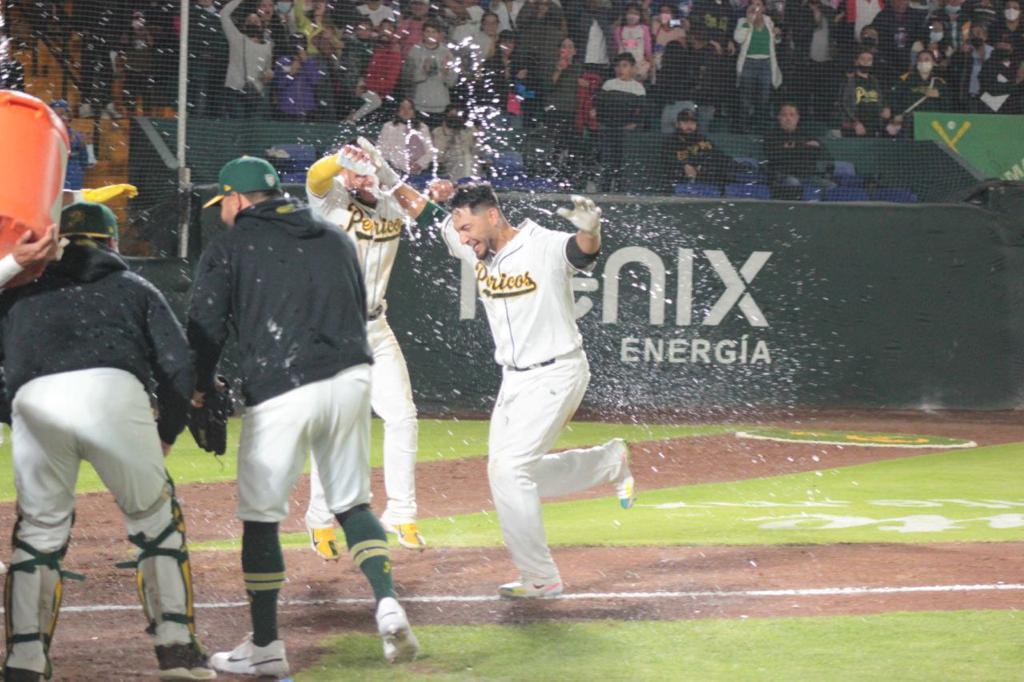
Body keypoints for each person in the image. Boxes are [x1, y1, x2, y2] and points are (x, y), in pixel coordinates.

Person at [359, 141, 637, 599]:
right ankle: (608, 462)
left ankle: (541, 577)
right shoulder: (475, 247)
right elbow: (425, 213)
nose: (462, 237)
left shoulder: (542, 244)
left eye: (468, 226)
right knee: (508, 473)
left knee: (510, 471)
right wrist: (386, 176)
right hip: (514, 378)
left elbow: (581, 250)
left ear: (492, 215)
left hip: (557, 372)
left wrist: (594, 229)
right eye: (460, 230)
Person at [190, 156, 419, 675]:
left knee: (261, 517)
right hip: (350, 375)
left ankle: (267, 645)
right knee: (354, 503)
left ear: (235, 199)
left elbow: (205, 326)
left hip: (281, 385)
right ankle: (386, 601)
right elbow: (356, 305)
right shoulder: (331, 235)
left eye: (222, 204)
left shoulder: (231, 244)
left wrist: (200, 389)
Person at [0, 202, 213, 681]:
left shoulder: (15, 292)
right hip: (116, 396)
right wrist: (167, 431)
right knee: (156, 524)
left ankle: (25, 660)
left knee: (38, 536)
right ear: (113, 242)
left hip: (36, 399)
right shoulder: (133, 285)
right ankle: (177, 650)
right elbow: (178, 366)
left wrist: (16, 413)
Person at [302, 144, 427, 556]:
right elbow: (316, 177)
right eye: (353, 174)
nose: (359, 179)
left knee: (402, 415)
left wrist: (384, 171)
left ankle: (402, 513)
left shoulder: (391, 205)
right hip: (332, 330)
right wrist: (342, 163)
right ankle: (320, 520)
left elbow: (420, 207)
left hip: (376, 326)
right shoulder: (330, 200)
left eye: (365, 171)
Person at [595, 52, 646, 191]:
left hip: (625, 131)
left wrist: (634, 124)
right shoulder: (608, 84)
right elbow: (599, 105)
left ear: (632, 68)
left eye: (624, 65)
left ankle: (620, 189)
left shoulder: (638, 88)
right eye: (618, 66)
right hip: (608, 128)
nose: (620, 69)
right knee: (606, 159)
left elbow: (641, 111)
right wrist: (600, 121)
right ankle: (603, 189)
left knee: (622, 160)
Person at [763, 103, 832, 199]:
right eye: (784, 115)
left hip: (807, 175)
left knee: (830, 186)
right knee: (793, 183)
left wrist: (793, 146)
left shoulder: (805, 134)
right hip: (782, 176)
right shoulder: (772, 136)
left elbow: (820, 149)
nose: (788, 118)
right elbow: (776, 155)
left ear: (797, 118)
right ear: (779, 117)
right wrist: (804, 146)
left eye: (792, 115)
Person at [734, 0, 783, 132]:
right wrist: (748, 22)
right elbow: (738, 38)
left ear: (764, 7)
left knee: (764, 98)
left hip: (766, 63)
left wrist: (778, 34)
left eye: (759, 4)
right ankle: (744, 128)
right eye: (753, 4)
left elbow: (775, 41)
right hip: (749, 63)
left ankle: (761, 127)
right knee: (746, 98)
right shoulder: (742, 20)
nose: (756, 7)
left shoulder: (769, 21)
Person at [659, 108, 738, 190]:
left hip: (703, 179)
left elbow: (718, 154)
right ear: (678, 124)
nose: (689, 126)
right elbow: (666, 160)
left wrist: (699, 164)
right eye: (685, 123)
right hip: (678, 181)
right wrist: (684, 165)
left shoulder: (702, 139)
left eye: (692, 123)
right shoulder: (671, 141)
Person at [221, 0, 275, 117]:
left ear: (261, 25)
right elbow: (224, 14)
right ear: (244, 26)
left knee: (253, 129)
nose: (253, 23)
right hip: (234, 91)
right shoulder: (236, 38)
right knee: (236, 126)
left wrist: (268, 75)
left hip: (255, 93)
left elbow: (267, 69)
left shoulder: (267, 46)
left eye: (256, 21)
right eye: (249, 21)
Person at [406, 19, 458, 124]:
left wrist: (446, 72)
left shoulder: (447, 53)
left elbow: (452, 82)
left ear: (439, 34)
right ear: (423, 33)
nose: (430, 34)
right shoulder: (414, 51)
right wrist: (423, 71)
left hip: (440, 105)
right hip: (419, 103)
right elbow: (408, 78)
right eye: (427, 31)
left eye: (434, 32)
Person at [378, 98, 437, 178]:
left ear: (414, 112)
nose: (406, 111)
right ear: (397, 111)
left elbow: (431, 151)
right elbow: (381, 150)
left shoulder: (423, 128)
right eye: (403, 108)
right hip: (395, 171)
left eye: (409, 108)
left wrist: (419, 164)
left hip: (419, 172)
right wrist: (402, 164)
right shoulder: (388, 127)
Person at [839, 49, 891, 135]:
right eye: (863, 59)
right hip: (855, 128)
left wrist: (886, 108)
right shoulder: (849, 81)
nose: (866, 62)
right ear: (856, 61)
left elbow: (882, 99)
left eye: (869, 59)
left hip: (875, 126)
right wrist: (854, 123)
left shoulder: (875, 82)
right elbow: (843, 105)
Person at [49, 100, 92, 191]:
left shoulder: (78, 137)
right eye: (57, 115)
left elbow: (84, 161)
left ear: (69, 116)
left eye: (63, 114)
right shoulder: (47, 136)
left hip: (73, 181)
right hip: (52, 180)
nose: (62, 118)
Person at [433, 106, 482, 180]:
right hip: (449, 162)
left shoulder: (468, 130)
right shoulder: (438, 131)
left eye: (457, 117)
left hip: (469, 161)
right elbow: (439, 155)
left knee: (468, 158)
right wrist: (446, 133)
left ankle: (470, 181)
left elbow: (476, 149)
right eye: (451, 117)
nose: (454, 120)